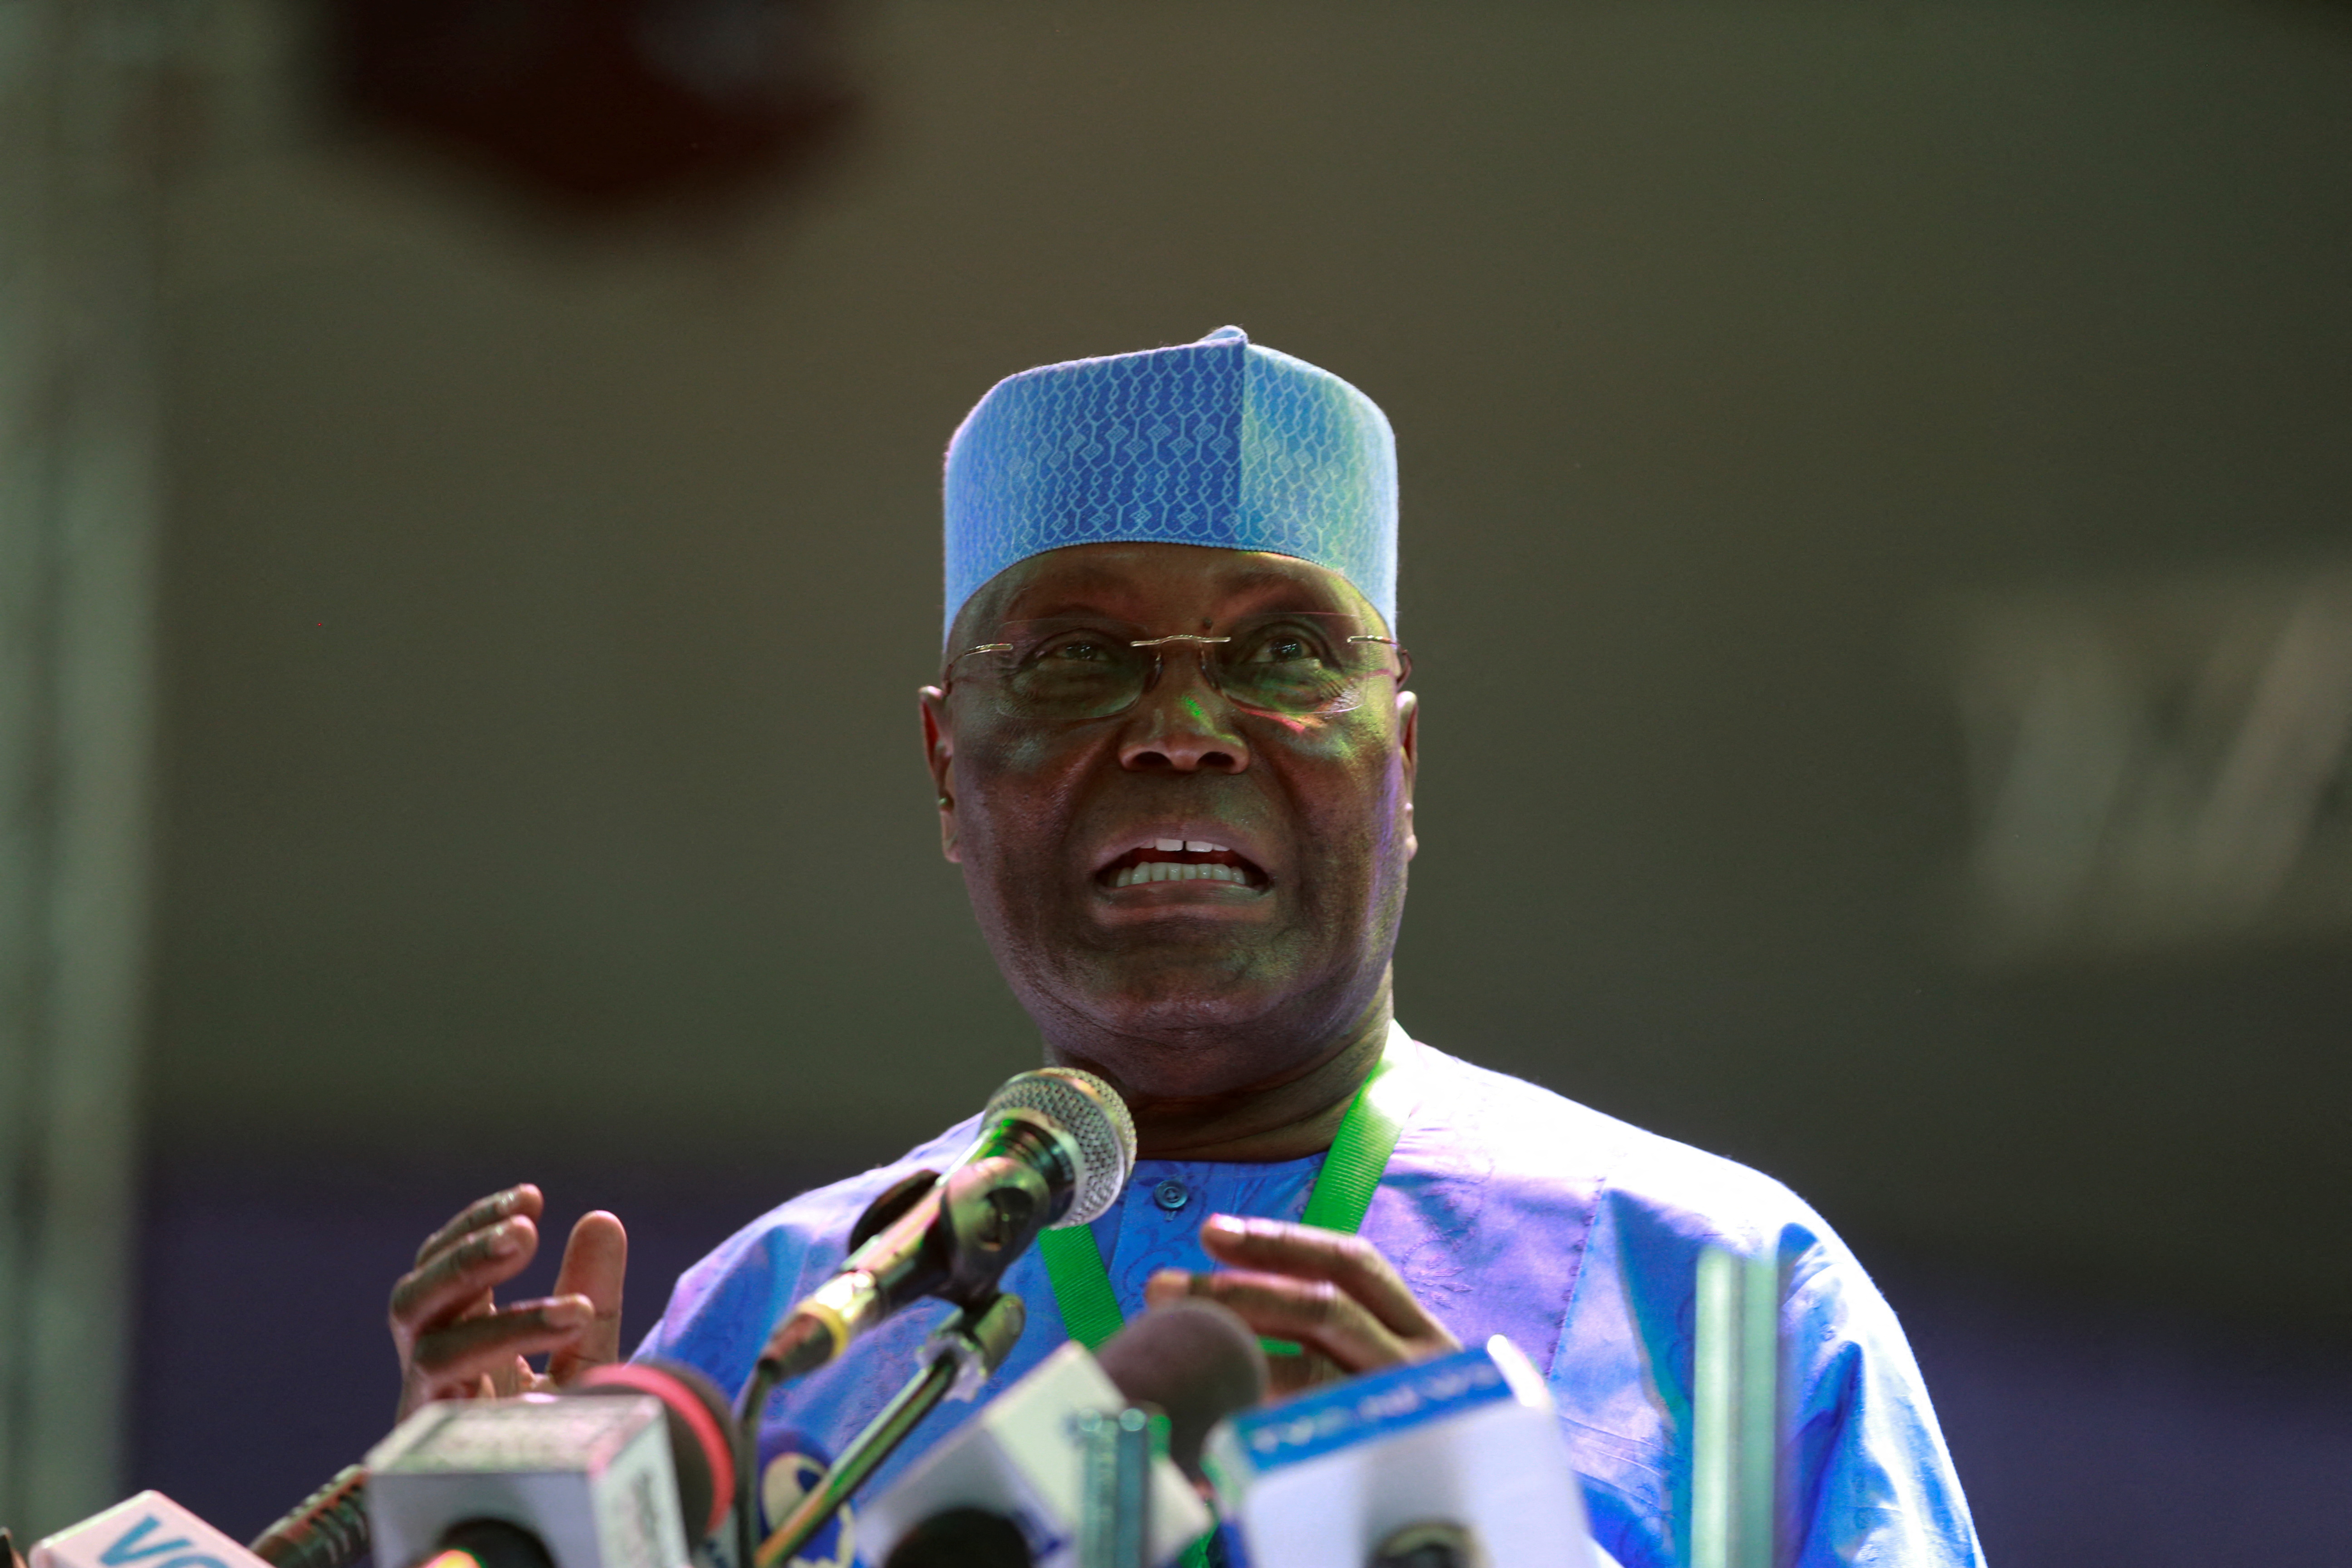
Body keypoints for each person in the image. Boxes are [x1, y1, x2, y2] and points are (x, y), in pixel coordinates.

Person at [385, 327, 1983, 1567]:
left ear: (1402, 763)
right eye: (1076, 659)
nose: (1180, 728)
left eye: (1284, 652)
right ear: (951, 771)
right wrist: (489, 1528)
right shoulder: (785, 1333)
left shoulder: (1718, 1291)